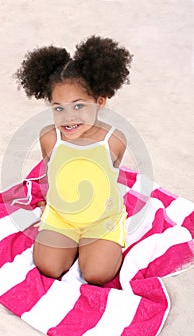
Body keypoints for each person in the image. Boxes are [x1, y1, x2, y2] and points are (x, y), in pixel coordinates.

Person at [15, 35, 133, 285]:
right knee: (48, 267)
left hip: (102, 219)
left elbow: (107, 179)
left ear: (100, 101)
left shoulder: (113, 140)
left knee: (97, 274)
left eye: (78, 106)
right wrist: (51, 205)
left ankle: (99, 241)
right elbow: (53, 173)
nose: (68, 117)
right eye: (59, 108)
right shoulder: (49, 137)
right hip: (62, 216)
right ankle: (65, 236)